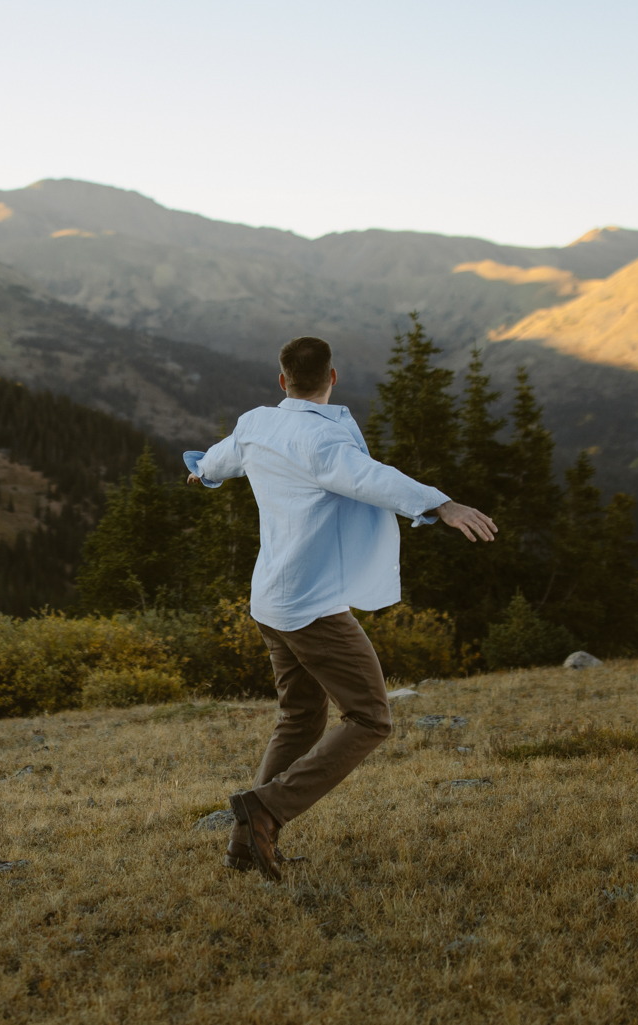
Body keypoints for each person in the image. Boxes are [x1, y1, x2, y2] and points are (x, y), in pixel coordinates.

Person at [189, 337, 497, 881]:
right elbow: (373, 478)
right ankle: (268, 809)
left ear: (282, 381)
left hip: (270, 601)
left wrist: (204, 473)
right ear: (334, 376)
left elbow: (220, 458)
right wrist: (442, 504)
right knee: (371, 718)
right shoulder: (325, 441)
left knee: (300, 717)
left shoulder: (257, 422)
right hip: (311, 606)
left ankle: (244, 845)